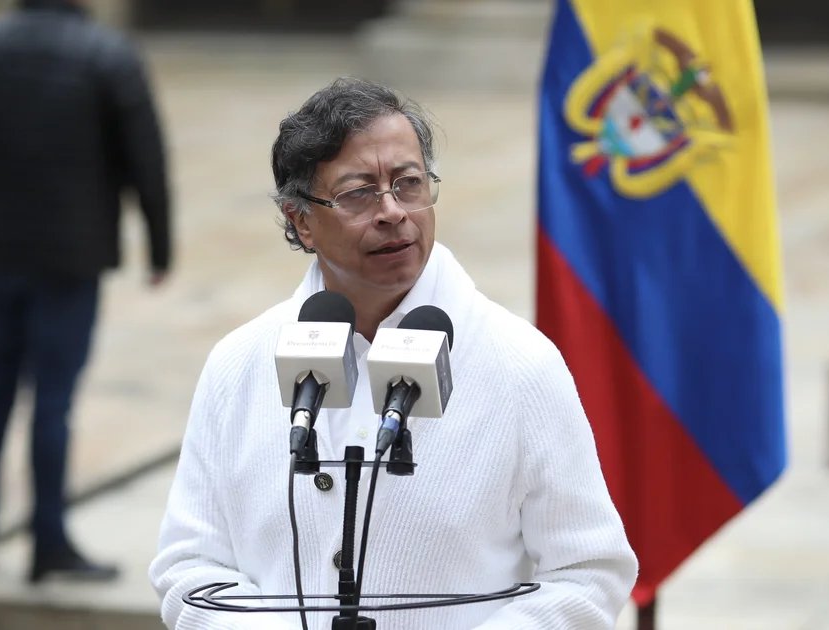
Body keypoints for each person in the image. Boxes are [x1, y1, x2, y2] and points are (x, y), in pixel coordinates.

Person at [149, 78, 638, 629]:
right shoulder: (238, 364)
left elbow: (588, 573)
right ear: (300, 221)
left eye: (408, 184)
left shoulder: (520, 365)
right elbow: (189, 566)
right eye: (358, 193)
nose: (392, 211)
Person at [0, 0, 172, 582]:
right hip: (71, 255)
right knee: (52, 400)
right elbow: (146, 155)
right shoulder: (106, 53)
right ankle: (48, 541)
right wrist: (159, 245)